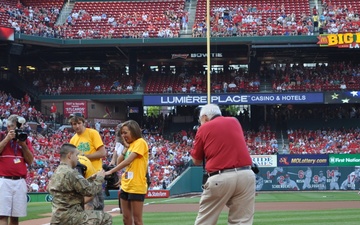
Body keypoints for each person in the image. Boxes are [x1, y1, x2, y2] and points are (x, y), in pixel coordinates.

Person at [190, 104, 255, 225]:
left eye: (200, 120)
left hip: (220, 176)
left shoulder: (204, 128)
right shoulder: (235, 121)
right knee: (242, 221)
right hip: (246, 175)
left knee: (205, 221)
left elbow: (196, 161)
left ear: (204, 117)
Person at [47, 143, 112, 225]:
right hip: (72, 217)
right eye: (76, 155)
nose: (77, 158)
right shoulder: (72, 172)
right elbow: (90, 191)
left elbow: (71, 184)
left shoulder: (56, 172)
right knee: (106, 218)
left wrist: (92, 178)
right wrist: (100, 178)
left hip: (57, 217)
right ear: (70, 155)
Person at [105, 120, 149, 225]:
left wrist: (110, 171)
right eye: (122, 133)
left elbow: (128, 161)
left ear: (133, 131)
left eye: (125, 132)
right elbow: (119, 161)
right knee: (126, 218)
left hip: (136, 185)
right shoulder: (131, 145)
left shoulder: (140, 142)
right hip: (126, 184)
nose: (123, 135)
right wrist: (125, 147)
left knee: (137, 220)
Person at [0, 114, 34, 225]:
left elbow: (30, 161)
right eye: (15, 127)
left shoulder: (24, 139)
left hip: (19, 181)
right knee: (2, 215)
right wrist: (7, 139)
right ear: (8, 127)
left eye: (19, 127)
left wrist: (23, 145)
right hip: (4, 180)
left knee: (15, 217)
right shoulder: (1, 136)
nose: (17, 130)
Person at [69, 114, 107, 210]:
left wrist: (85, 157)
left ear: (83, 123)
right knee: (85, 207)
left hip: (95, 175)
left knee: (98, 207)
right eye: (74, 124)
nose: (77, 126)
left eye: (79, 123)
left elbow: (103, 153)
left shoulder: (92, 133)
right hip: (82, 178)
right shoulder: (73, 140)